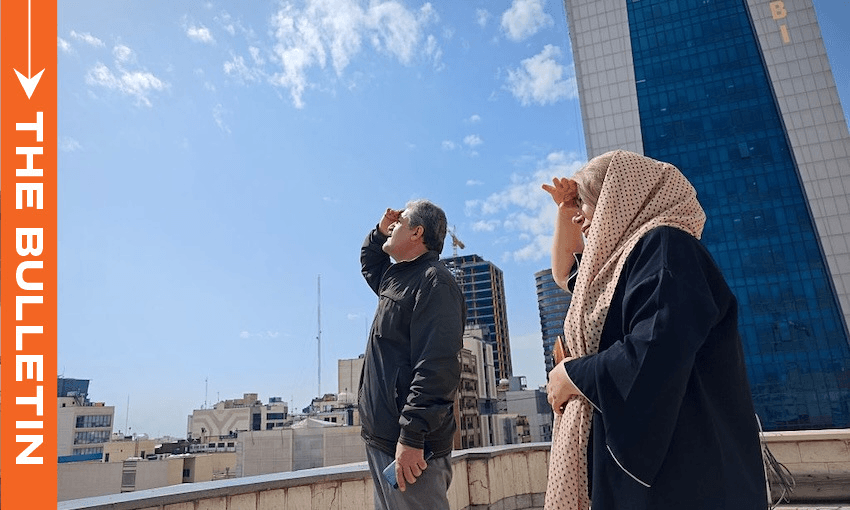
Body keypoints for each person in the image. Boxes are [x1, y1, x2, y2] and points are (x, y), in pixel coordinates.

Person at [541, 150, 767, 510]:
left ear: (617, 198)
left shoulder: (664, 246)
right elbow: (564, 272)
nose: (580, 219)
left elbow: (655, 351)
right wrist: (566, 207)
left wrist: (572, 375)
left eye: (587, 203)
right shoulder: (616, 267)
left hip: (681, 479)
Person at [359, 199, 466, 510]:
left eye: (401, 221)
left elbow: (437, 367)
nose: (393, 225)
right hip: (383, 439)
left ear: (417, 232)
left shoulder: (435, 281)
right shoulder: (397, 277)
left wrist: (412, 436)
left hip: (411, 446)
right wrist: (380, 232)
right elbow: (371, 263)